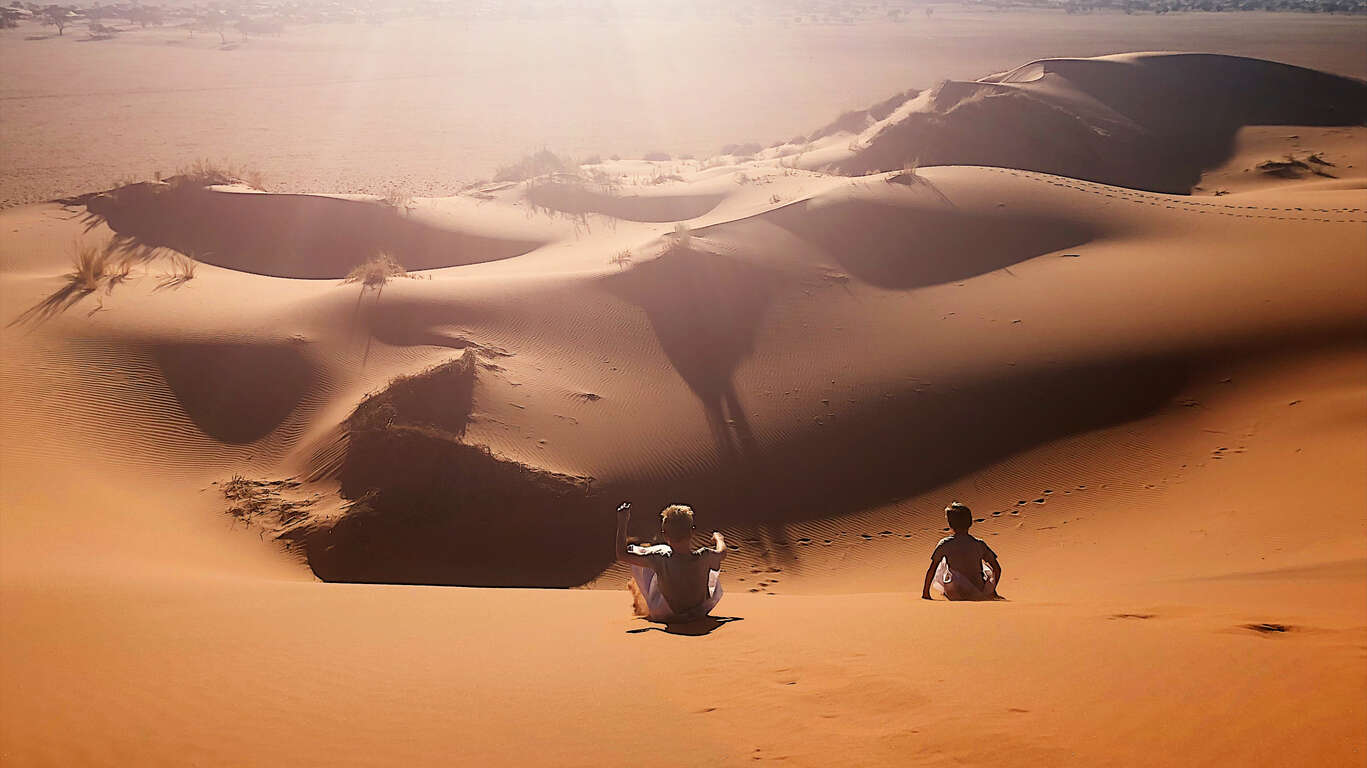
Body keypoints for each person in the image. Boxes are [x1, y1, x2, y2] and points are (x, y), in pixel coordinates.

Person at [614, 502, 726, 623]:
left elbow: (622, 555)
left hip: (669, 616)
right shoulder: (705, 556)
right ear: (692, 532)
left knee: (659, 552)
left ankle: (647, 603)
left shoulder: (660, 560)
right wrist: (719, 539)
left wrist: (622, 522)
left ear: (665, 535)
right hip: (700, 611)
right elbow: (722, 552)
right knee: (712, 566)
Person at [921, 501, 1003, 600]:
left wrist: (926, 593)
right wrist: (990, 589)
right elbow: (997, 568)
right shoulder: (979, 544)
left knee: (942, 563)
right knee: (987, 568)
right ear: (970, 522)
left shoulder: (945, 543)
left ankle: (946, 593)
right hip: (978, 589)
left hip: (955, 591)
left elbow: (932, 569)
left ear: (950, 524)